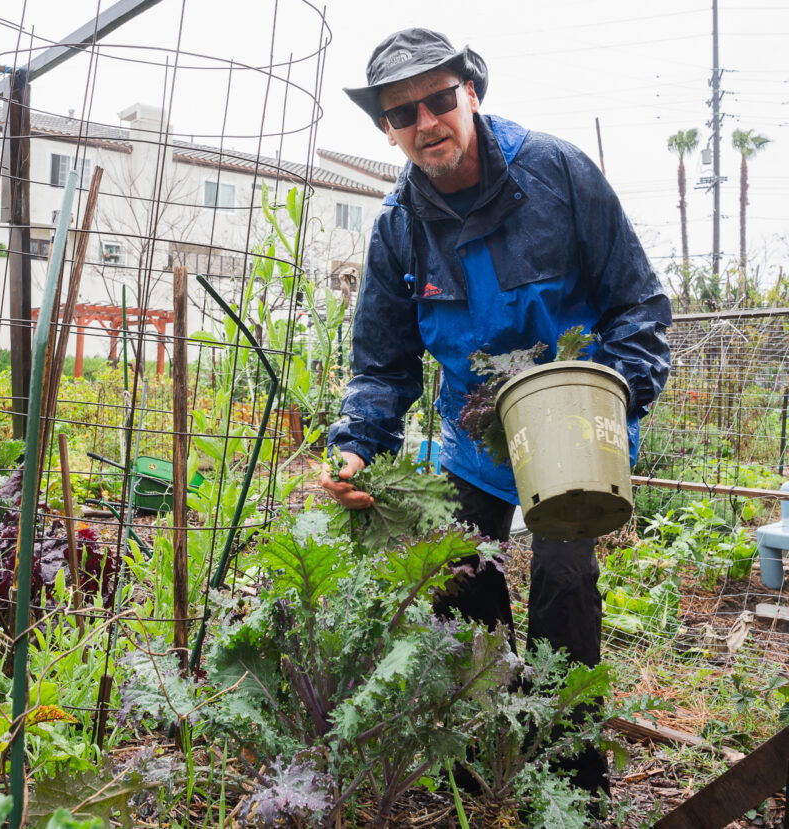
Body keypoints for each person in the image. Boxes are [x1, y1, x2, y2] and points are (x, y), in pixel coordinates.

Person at [320, 28, 672, 797]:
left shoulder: (559, 174)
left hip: (572, 426)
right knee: (457, 576)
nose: (426, 121)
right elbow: (380, 365)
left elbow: (639, 303)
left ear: (471, 93)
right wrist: (354, 446)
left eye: (439, 99)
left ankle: (571, 780)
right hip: (474, 439)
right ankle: (494, 751)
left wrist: (616, 397)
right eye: (402, 112)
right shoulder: (397, 229)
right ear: (387, 127)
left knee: (563, 585)